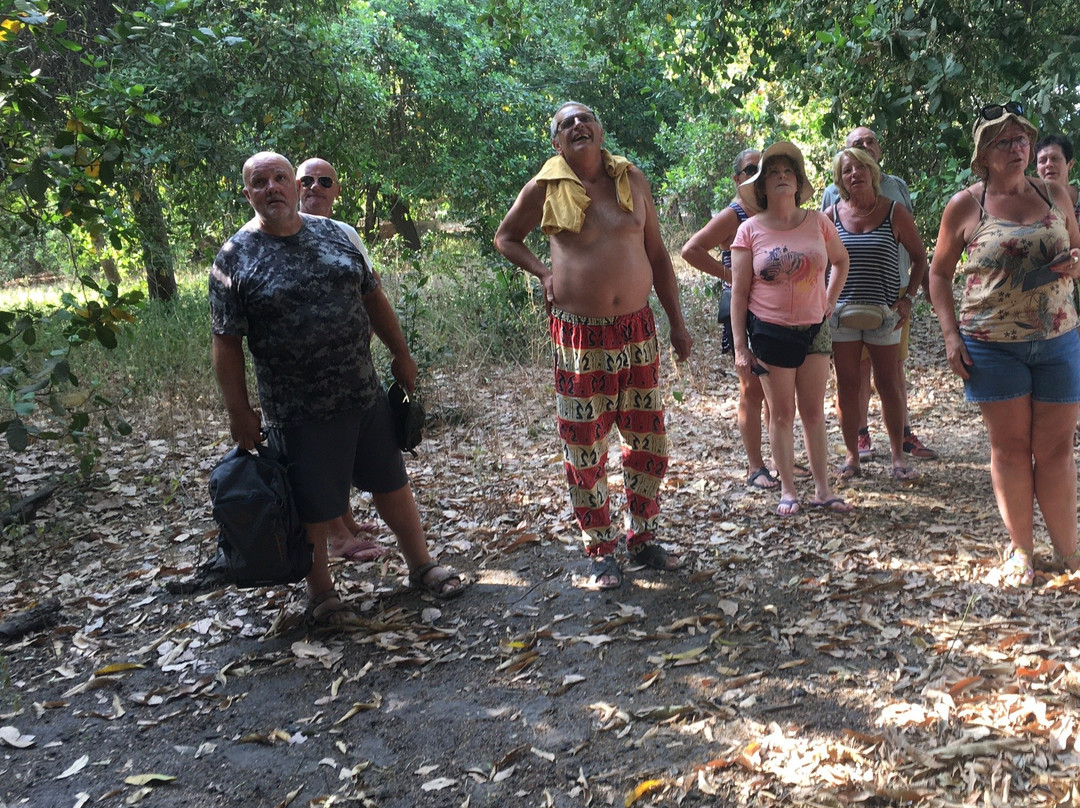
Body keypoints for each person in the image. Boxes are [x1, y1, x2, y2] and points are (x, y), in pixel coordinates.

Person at [210, 152, 464, 628]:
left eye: (279, 178)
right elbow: (225, 343)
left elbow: (373, 296)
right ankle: (324, 596)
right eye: (259, 182)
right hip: (297, 409)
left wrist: (401, 354)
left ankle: (421, 565)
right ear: (248, 194)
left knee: (393, 485)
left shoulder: (333, 234)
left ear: (292, 183)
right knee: (313, 505)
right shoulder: (234, 258)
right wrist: (238, 411)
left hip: (362, 392)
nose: (272, 188)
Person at [494, 101, 692, 590]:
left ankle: (642, 539)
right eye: (566, 124)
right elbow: (505, 237)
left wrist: (678, 322)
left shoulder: (631, 178)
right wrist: (543, 272)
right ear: (556, 143)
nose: (578, 125)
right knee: (585, 446)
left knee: (648, 442)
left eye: (586, 118)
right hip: (581, 336)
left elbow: (658, 256)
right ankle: (601, 550)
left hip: (638, 331)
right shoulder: (544, 188)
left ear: (601, 130)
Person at [928, 103, 1080, 587]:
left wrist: (1075, 263)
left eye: (1022, 140)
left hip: (1058, 337)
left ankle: (1069, 553)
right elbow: (937, 273)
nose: (1016, 148)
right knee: (1011, 449)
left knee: (1056, 449)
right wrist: (951, 335)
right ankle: (1022, 554)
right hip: (992, 345)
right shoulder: (965, 206)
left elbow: (1078, 249)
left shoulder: (1056, 193)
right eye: (1004, 142)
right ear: (984, 155)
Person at [730, 141, 852, 516]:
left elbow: (840, 261)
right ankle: (788, 490)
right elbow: (739, 291)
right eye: (774, 173)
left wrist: (829, 301)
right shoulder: (749, 230)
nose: (782, 178)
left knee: (814, 411)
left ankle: (823, 490)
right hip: (770, 331)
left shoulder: (818, 221)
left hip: (815, 329)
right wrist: (740, 346)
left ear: (798, 183)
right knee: (782, 413)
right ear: (763, 186)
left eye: (788, 173)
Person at [821, 126, 938, 462]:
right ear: (840, 180)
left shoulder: (894, 206)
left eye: (861, 166)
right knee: (847, 385)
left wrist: (910, 298)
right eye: (847, 169)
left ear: (874, 170)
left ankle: (899, 457)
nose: (855, 173)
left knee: (889, 381)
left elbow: (919, 257)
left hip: (887, 309)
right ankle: (852, 456)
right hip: (842, 313)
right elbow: (818, 261)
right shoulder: (829, 214)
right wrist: (822, 302)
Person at [295, 156, 389, 563]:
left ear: (336, 191)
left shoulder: (344, 232)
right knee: (317, 450)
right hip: (300, 371)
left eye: (324, 181)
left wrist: (365, 338)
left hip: (349, 364)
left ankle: (346, 520)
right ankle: (335, 536)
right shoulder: (276, 233)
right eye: (306, 180)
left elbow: (371, 288)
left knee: (345, 444)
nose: (314, 187)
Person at [682, 149, 779, 489]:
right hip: (744, 313)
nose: (759, 174)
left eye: (763, 168)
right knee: (752, 389)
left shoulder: (776, 211)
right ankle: (756, 466)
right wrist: (732, 275)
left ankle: (781, 461)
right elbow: (691, 250)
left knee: (776, 391)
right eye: (751, 169)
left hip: (778, 312)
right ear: (737, 178)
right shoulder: (733, 215)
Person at [1035, 134, 1080, 221]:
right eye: (1043, 160)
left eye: (1055, 158)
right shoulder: (1030, 205)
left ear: (1070, 164)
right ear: (1037, 169)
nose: (1048, 164)